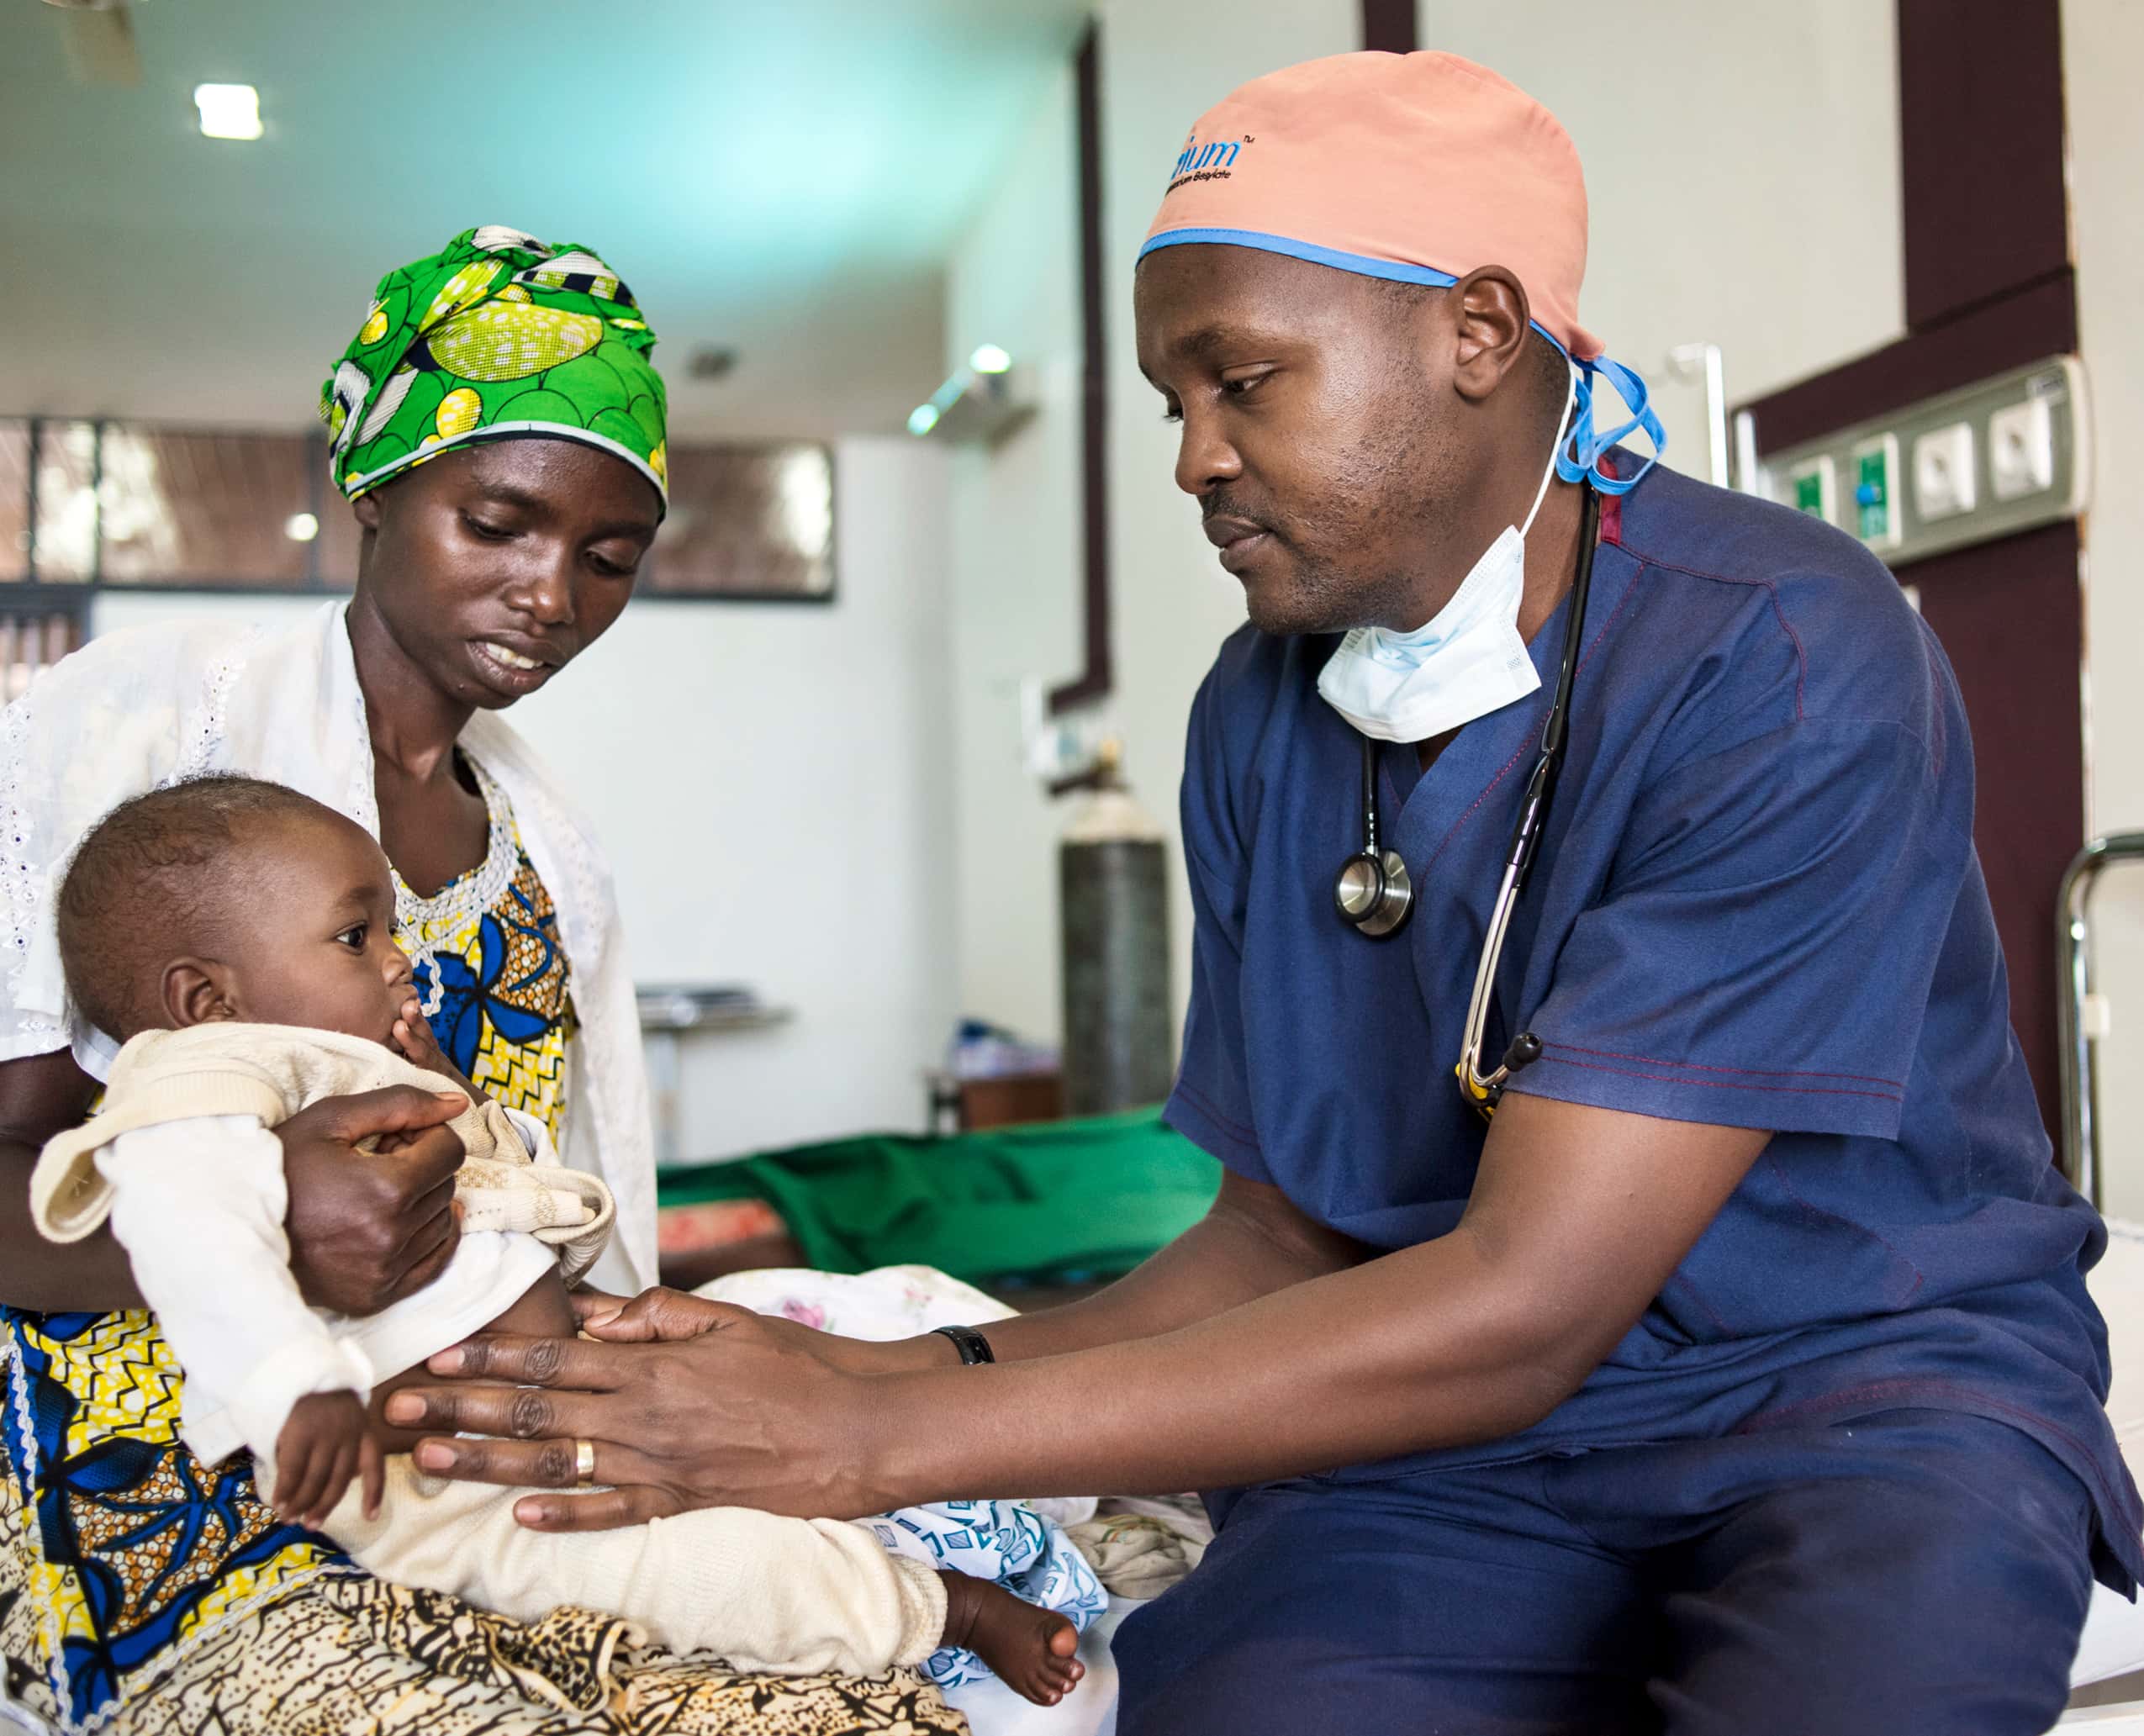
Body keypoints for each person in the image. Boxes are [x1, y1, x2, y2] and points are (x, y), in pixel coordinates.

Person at [388, 56, 2144, 1736]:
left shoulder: (1776, 652)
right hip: (1478, 1449)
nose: (1191, 460)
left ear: (1474, 331)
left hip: (1854, 1403)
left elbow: (1529, 1304)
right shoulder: (1265, 704)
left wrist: (866, 1445)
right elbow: (1281, 1232)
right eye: (1174, 403)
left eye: (1244, 382)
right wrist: (875, 1369)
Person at [0, 229, 964, 1735]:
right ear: (376, 486)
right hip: (180, 1492)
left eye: (606, 558)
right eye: (497, 522)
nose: (550, 593)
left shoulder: (547, 857)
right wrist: (257, 1236)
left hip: (485, 1476)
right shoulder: (135, 732)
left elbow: (545, 1211)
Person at [28, 775, 1089, 1704]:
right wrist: (295, 1384)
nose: (402, 963)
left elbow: (515, 1189)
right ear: (204, 998)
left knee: (784, 1396)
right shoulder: (194, 1086)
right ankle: (939, 1610)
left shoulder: (348, 1059)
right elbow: (188, 1231)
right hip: (468, 1504)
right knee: (718, 1576)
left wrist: (451, 1094)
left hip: (577, 1408)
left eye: (393, 930)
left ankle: (954, 1498)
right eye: (358, 938)